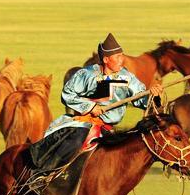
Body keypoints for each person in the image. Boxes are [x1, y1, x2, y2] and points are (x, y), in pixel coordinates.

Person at [27, 32, 163, 172]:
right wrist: (91, 107)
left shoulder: (126, 77)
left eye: (122, 56)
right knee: (74, 143)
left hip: (108, 129)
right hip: (84, 123)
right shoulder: (86, 74)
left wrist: (153, 95)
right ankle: (44, 175)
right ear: (106, 59)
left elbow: (141, 98)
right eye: (118, 57)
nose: (122, 60)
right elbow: (67, 94)